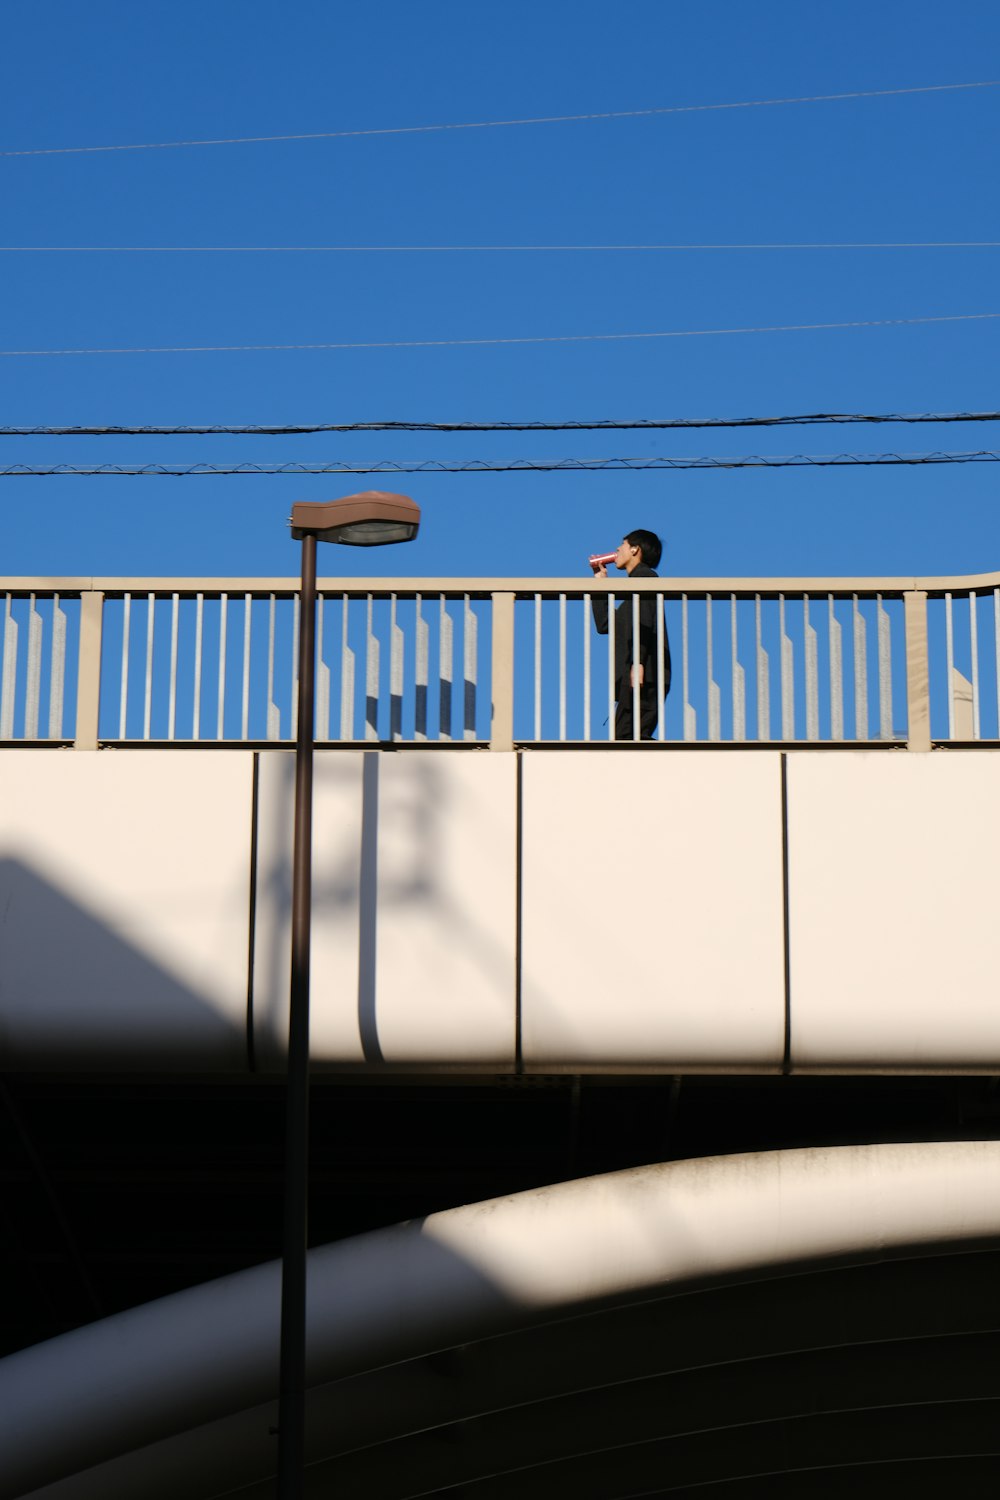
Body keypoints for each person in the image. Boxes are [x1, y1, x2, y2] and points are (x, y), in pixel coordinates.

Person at [590, 529, 671, 740]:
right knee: (628, 737)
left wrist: (638, 662)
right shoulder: (630, 594)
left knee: (627, 738)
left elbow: (645, 620)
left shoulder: (646, 577)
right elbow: (605, 624)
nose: (617, 549)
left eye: (622, 545)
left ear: (635, 549)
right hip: (637, 672)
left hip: (644, 672)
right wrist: (599, 584)